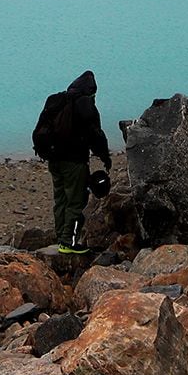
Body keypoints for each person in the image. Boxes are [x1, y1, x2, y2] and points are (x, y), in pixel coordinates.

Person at [32, 69, 111, 254]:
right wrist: (105, 157)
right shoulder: (85, 106)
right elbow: (96, 136)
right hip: (74, 162)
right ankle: (69, 242)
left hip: (53, 160)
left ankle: (61, 237)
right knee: (76, 202)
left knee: (60, 200)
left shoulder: (59, 102)